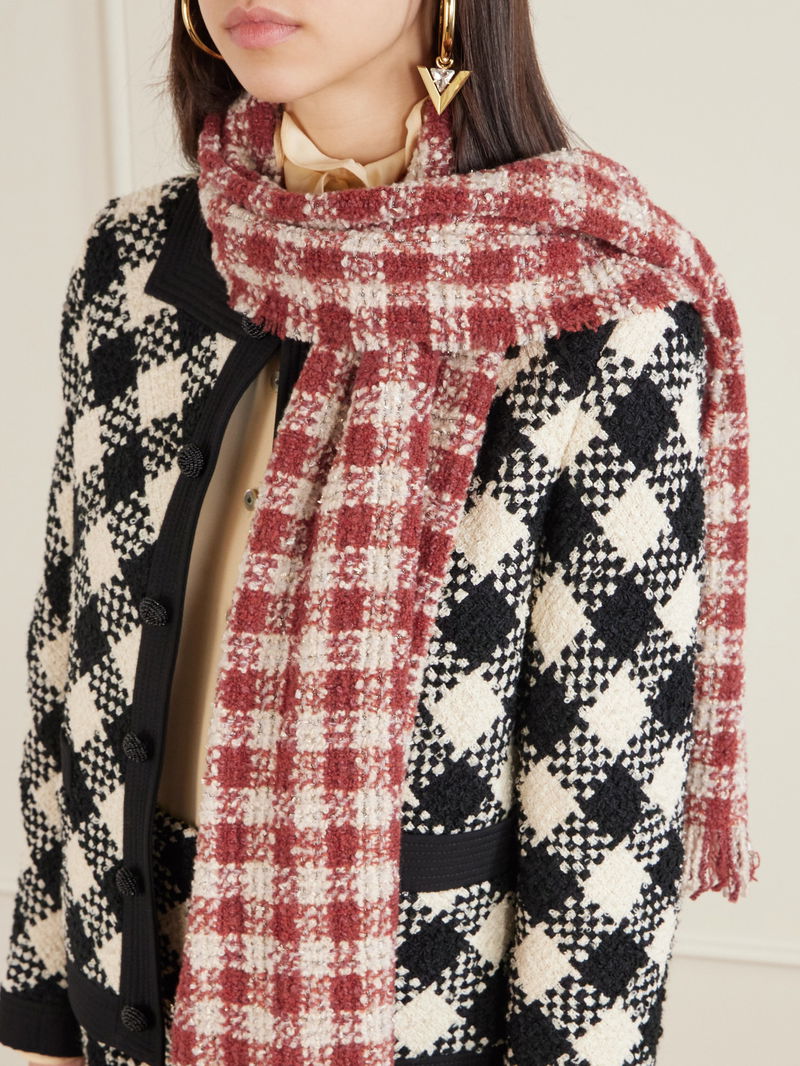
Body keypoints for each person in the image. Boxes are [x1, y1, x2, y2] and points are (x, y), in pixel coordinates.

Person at [0, 2, 759, 1065]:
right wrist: (38, 1017)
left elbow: (607, 815)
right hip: (122, 1006)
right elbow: (68, 671)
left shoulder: (596, 309)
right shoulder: (137, 258)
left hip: (405, 1022)